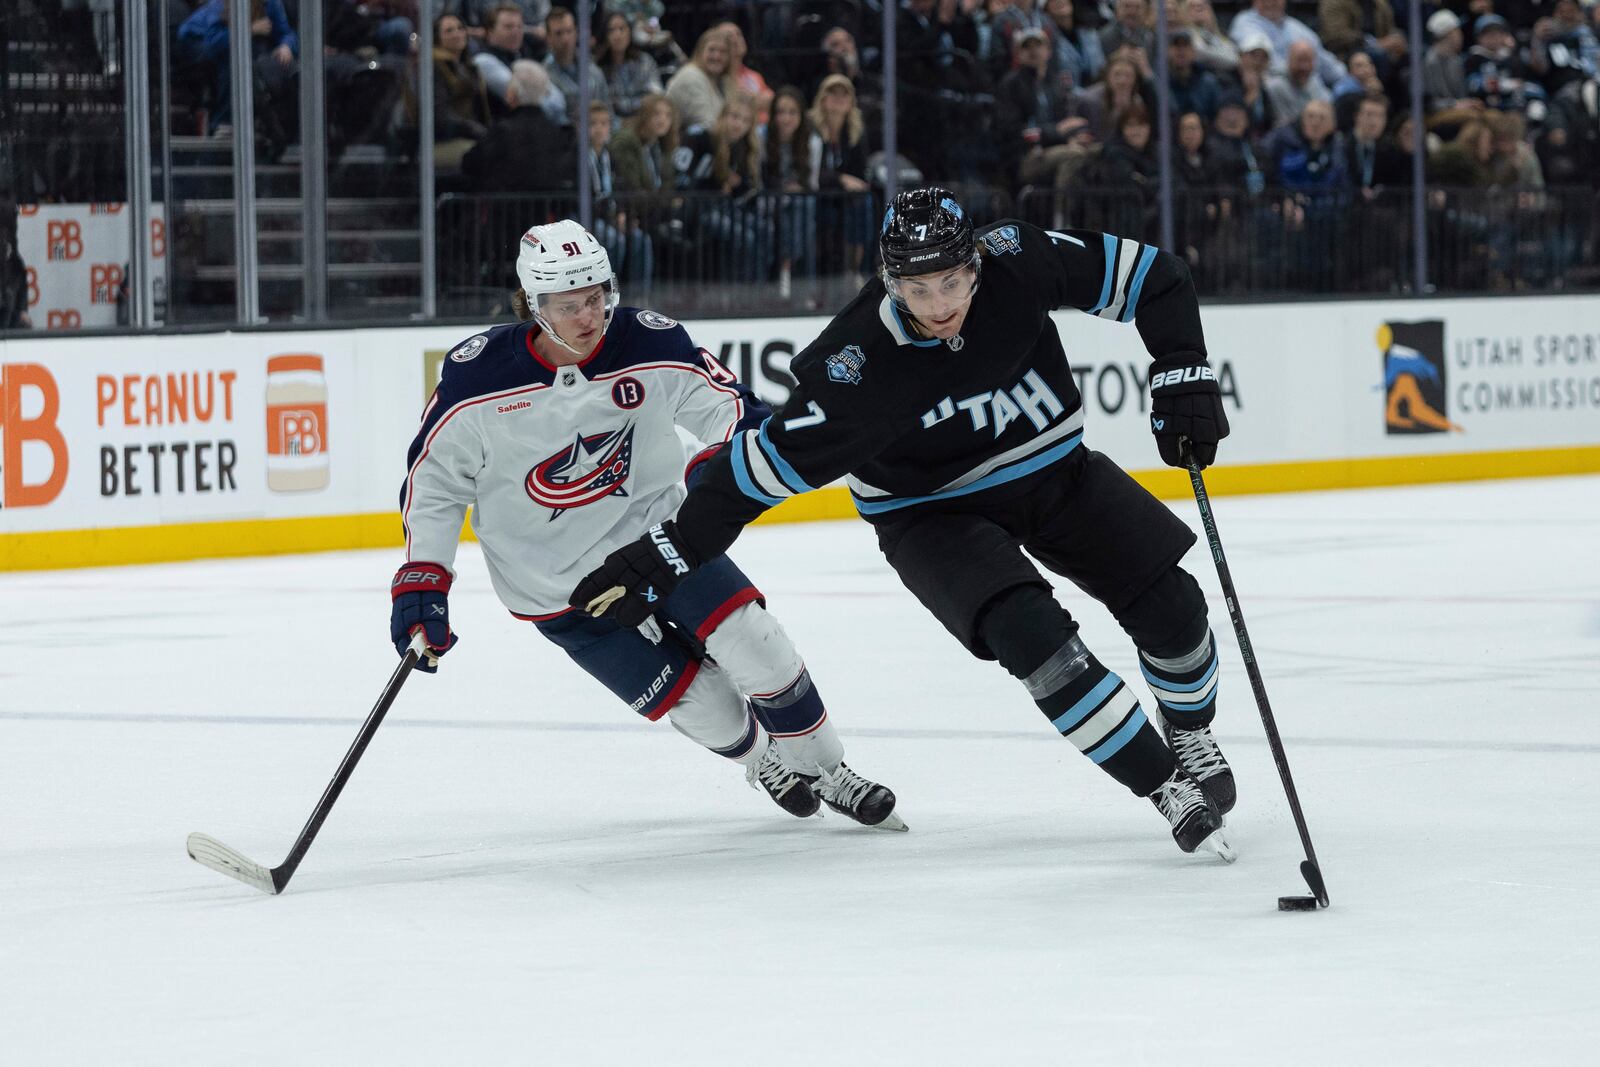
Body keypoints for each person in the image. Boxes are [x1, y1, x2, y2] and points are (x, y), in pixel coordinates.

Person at [570, 188, 1238, 859]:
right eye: (920, 290)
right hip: (928, 514)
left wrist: (1182, 371)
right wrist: (668, 551)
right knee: (1033, 636)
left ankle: (1187, 728)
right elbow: (752, 474)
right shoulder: (855, 366)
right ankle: (1164, 784)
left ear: (976, 262)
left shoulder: (1018, 257)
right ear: (891, 284)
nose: (942, 304)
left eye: (953, 281)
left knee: (1176, 609)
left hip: (1053, 470)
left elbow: (1156, 277)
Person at [393, 220, 904, 829]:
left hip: (659, 542)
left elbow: (729, 407)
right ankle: (763, 759)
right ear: (532, 303)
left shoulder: (647, 340)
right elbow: (436, 482)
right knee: (704, 702)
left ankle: (829, 771)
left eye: (596, 297)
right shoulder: (476, 378)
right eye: (568, 304)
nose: (589, 317)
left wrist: (737, 450)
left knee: (756, 643)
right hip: (556, 585)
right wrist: (423, 579)